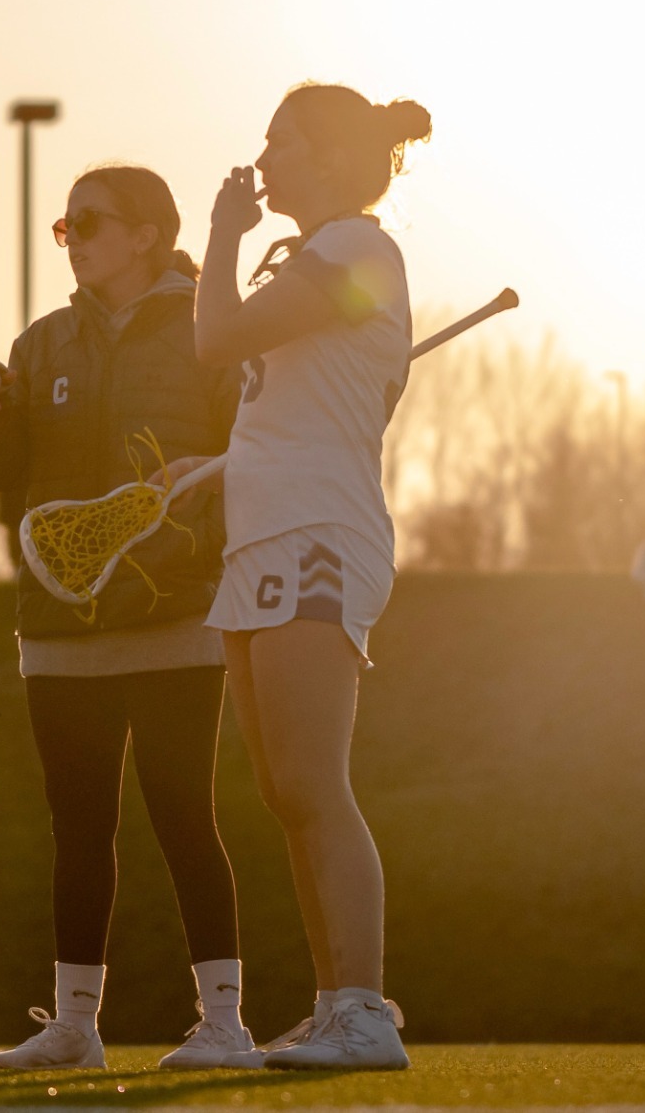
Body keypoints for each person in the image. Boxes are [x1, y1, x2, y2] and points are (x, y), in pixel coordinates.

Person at [0, 165, 247, 1070]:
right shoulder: (41, 344)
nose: (74, 236)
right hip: (58, 623)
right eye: (66, 224)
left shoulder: (213, 333)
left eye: (92, 221)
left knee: (181, 814)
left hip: (176, 611)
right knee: (78, 827)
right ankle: (75, 1027)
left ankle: (226, 1023)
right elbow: (8, 474)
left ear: (149, 236)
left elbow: (255, 457)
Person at [175, 82, 431, 1071]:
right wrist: (217, 468)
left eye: (279, 143)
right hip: (265, 525)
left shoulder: (354, 249)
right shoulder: (324, 259)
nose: (263, 159)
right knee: (284, 789)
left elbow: (213, 338)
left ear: (325, 157)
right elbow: (302, 412)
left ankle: (364, 1009)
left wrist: (220, 233)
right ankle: (334, 1005)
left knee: (314, 782)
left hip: (316, 532)